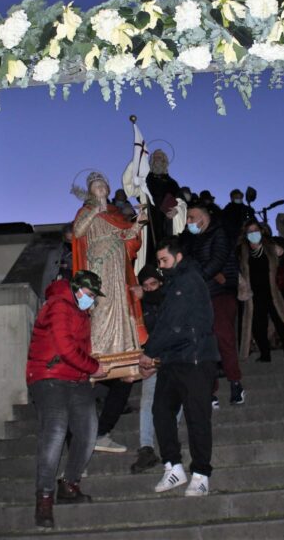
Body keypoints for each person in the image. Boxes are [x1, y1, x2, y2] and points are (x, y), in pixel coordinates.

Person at [26, 270, 111, 529]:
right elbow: (64, 347)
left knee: (87, 430)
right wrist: (93, 367)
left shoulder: (80, 311)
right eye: (88, 294)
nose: (91, 300)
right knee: (56, 430)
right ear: (75, 289)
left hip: (76, 378)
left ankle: (70, 485)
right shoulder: (59, 305)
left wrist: (92, 367)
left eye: (94, 296)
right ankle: (44, 499)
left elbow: (80, 348)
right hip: (49, 376)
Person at [139, 238, 220, 496]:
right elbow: (166, 321)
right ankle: (173, 466)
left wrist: (148, 352)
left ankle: (201, 474)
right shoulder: (175, 283)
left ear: (179, 257)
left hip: (196, 359)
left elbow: (172, 324)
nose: (161, 266)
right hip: (173, 360)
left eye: (164, 260)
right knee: (161, 411)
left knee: (197, 418)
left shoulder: (188, 280)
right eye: (159, 261)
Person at [72, 172, 149, 364]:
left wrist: (138, 222)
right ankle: (99, 349)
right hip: (98, 261)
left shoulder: (115, 212)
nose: (101, 188)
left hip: (117, 261)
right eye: (96, 186)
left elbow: (127, 236)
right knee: (102, 302)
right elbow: (78, 231)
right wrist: (94, 212)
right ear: (90, 191)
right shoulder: (86, 211)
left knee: (121, 301)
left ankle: (122, 347)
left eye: (103, 185)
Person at [180, 202, 244, 407]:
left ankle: (235, 383)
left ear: (203, 217)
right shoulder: (193, 240)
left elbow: (217, 260)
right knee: (205, 343)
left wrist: (197, 278)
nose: (188, 221)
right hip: (202, 297)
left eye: (191, 217)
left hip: (221, 295)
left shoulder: (220, 233)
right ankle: (211, 389)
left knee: (223, 336)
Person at [238, 221, 284, 368]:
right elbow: (239, 270)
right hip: (255, 295)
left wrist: (283, 252)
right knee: (258, 326)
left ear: (262, 231)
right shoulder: (243, 250)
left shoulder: (272, 245)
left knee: (283, 324)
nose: (253, 233)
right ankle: (265, 354)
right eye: (250, 231)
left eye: (256, 230)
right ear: (246, 235)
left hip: (275, 293)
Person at [129, 264, 165, 473]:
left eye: (154, 284)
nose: (150, 288)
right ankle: (146, 448)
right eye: (146, 285)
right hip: (151, 358)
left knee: (171, 400)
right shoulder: (142, 306)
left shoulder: (169, 299)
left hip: (170, 358)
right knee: (148, 400)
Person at [145, 149, 181, 254]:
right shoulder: (145, 180)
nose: (157, 160)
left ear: (164, 161)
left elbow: (179, 200)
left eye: (159, 157)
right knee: (149, 247)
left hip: (166, 219)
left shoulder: (172, 183)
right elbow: (138, 194)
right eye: (154, 158)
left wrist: (176, 209)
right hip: (149, 216)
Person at [40, 223, 74, 295]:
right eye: (68, 240)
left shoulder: (83, 252)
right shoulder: (55, 254)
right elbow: (47, 276)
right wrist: (44, 298)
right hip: (60, 291)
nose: (71, 243)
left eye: (73, 240)